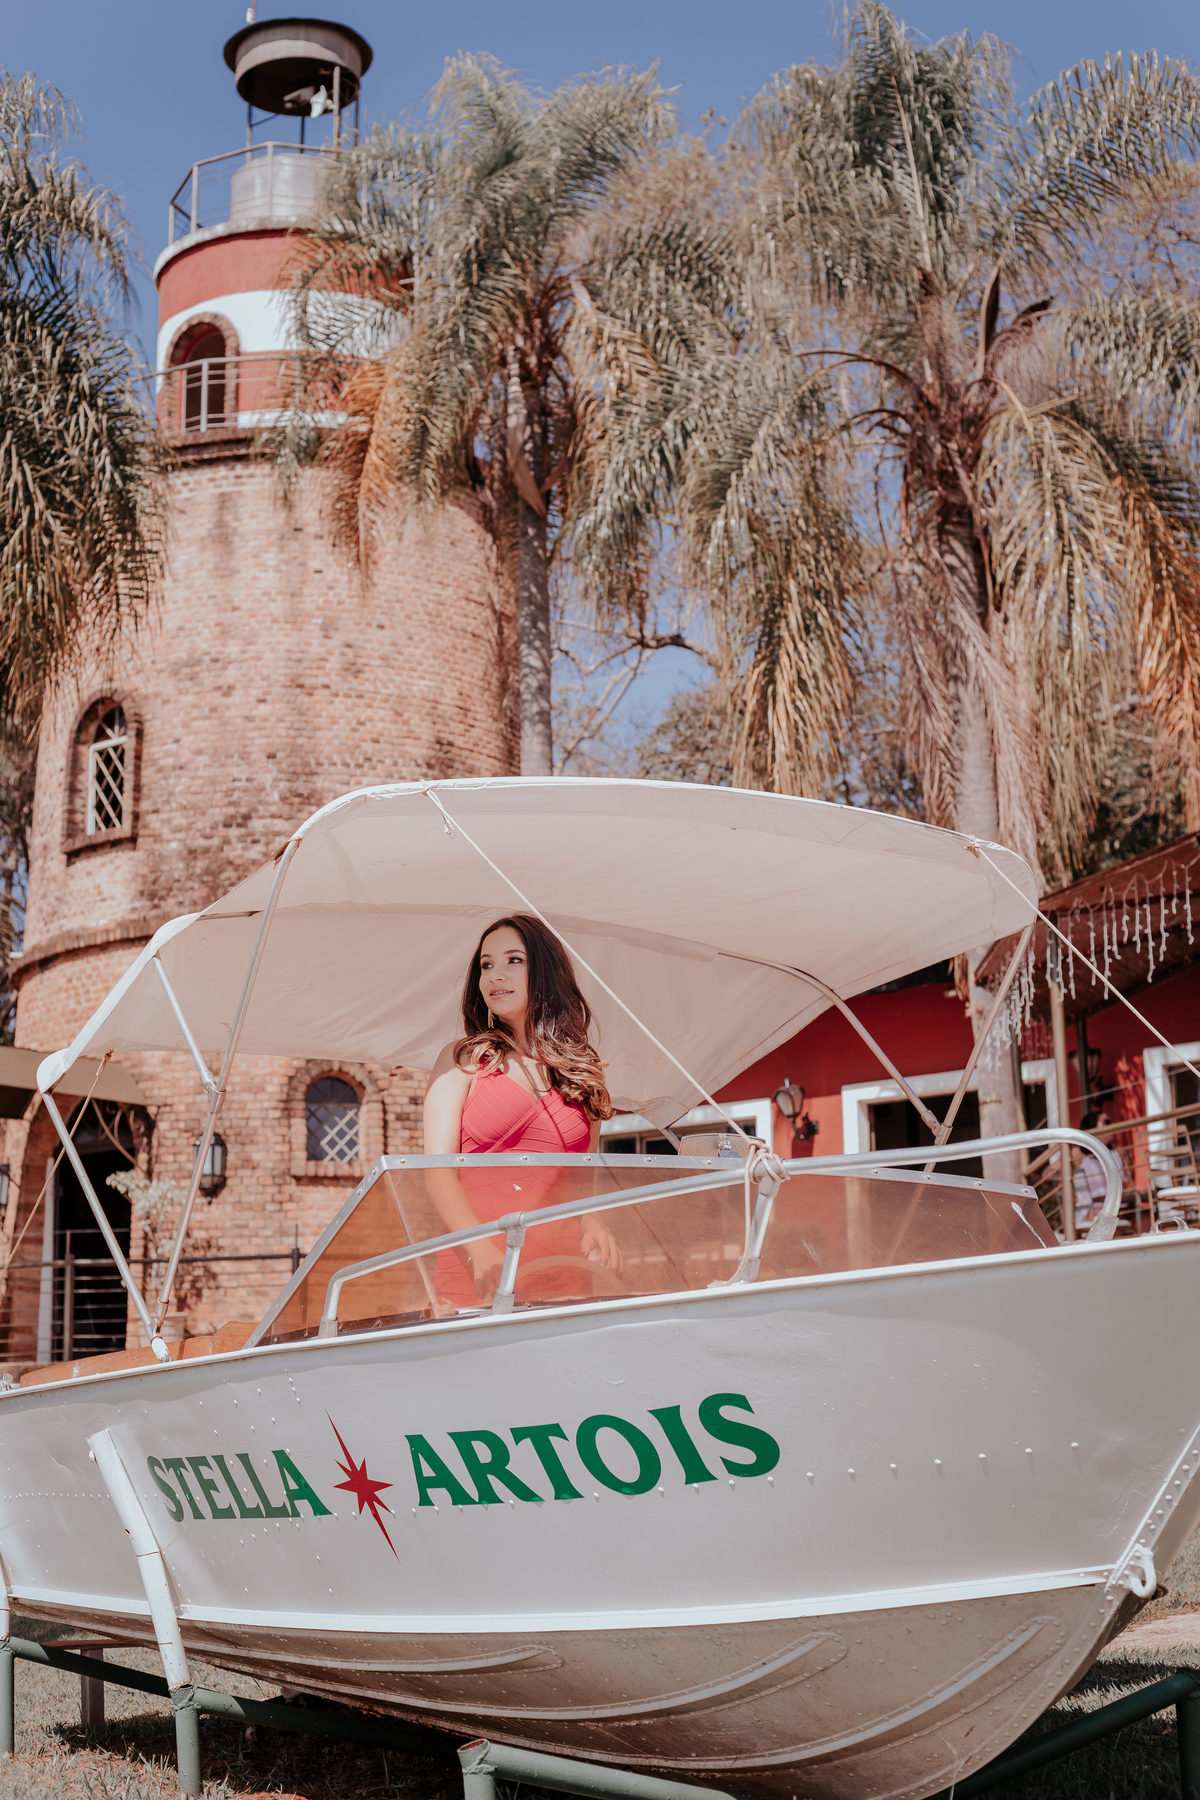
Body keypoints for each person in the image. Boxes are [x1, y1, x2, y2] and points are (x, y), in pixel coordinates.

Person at [423, 914, 623, 1308]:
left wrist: (593, 1220)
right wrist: (479, 1250)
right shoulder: (461, 1060)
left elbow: (581, 1183)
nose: (496, 975)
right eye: (486, 965)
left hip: (565, 1270)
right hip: (480, 1269)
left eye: (514, 960)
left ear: (545, 971)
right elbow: (437, 1175)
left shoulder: (582, 1071)